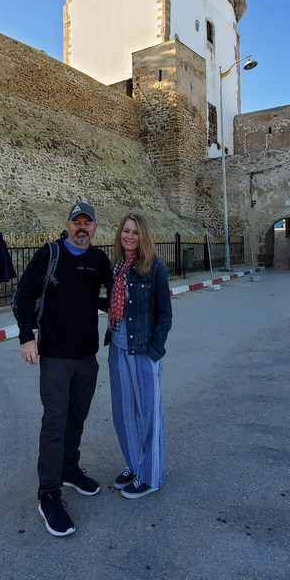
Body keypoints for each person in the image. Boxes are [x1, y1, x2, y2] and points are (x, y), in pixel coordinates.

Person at [14, 202, 112, 536]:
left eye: (88, 223)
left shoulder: (99, 260)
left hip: (87, 357)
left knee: (76, 418)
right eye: (77, 222)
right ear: (67, 225)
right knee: (55, 421)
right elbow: (23, 297)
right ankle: (49, 494)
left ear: (95, 228)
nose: (82, 228)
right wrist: (26, 338)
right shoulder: (50, 254)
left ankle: (70, 470)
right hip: (55, 357)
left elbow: (111, 297)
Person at [104, 212, 172, 499]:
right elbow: (112, 303)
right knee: (124, 414)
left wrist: (155, 352)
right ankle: (135, 465)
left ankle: (151, 475)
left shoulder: (155, 268)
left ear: (143, 236)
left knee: (148, 415)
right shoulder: (117, 268)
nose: (129, 236)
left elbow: (164, 315)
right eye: (125, 231)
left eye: (134, 232)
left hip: (144, 351)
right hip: (118, 349)